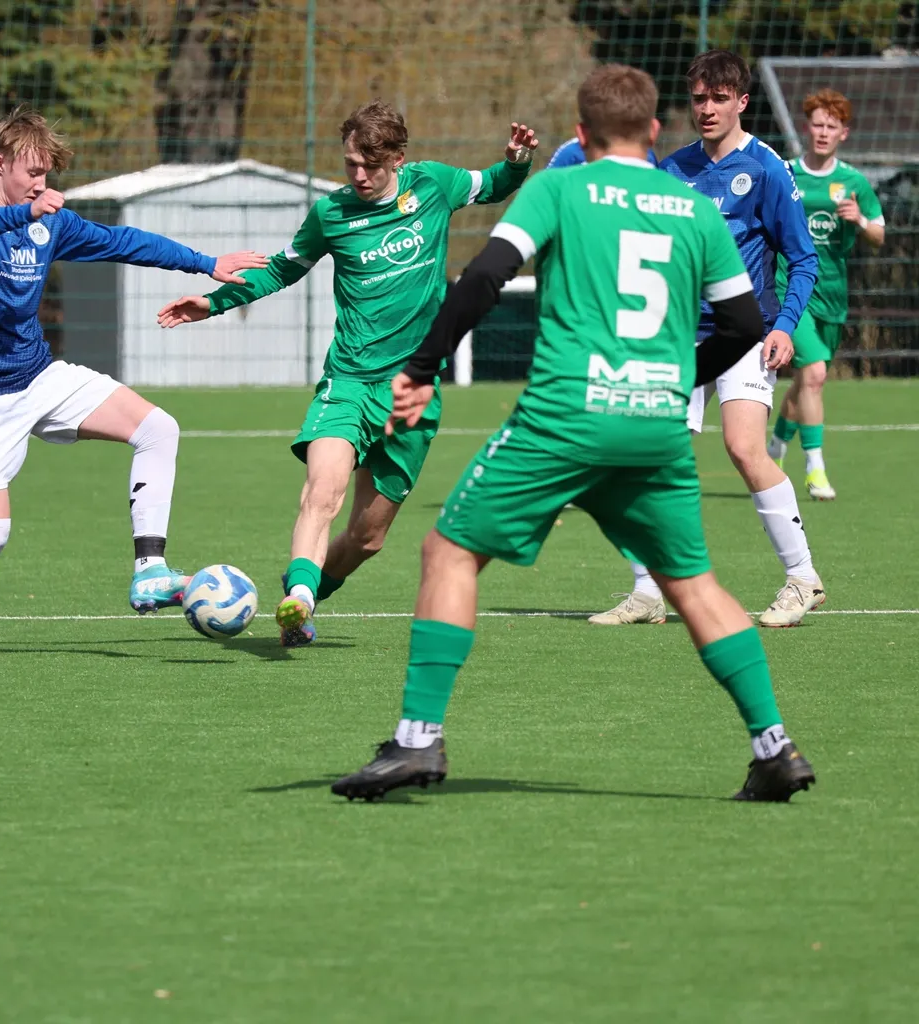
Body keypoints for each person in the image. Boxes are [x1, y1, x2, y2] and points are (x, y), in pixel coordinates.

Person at [331, 64, 816, 804]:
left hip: (564, 417)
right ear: (654, 131)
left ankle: (417, 740)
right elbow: (747, 322)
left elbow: (484, 278)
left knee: (449, 552)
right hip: (652, 426)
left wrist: (423, 367)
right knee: (695, 584)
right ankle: (773, 747)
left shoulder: (559, 188)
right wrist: (678, 379)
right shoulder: (694, 208)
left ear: (582, 134)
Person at [157, 102, 538, 647]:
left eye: (370, 165)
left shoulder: (434, 184)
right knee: (322, 492)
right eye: (350, 163)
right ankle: (300, 600)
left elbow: (495, 184)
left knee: (367, 538)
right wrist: (214, 302)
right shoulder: (331, 213)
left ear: (397, 159)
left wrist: (517, 161)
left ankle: (306, 587)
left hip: (412, 391)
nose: (358, 175)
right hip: (349, 382)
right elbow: (282, 269)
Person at [0, 107, 267, 658]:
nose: (40, 183)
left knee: (159, 428)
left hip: (38, 375)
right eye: (31, 172)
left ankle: (151, 570)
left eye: (46, 173)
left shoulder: (51, 222)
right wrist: (24, 213)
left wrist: (204, 262)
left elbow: (123, 241)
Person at [589, 49, 823, 630]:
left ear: (742, 101)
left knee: (744, 448)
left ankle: (802, 579)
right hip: (677, 337)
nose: (708, 108)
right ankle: (648, 591)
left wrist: (785, 326)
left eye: (719, 98)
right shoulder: (673, 169)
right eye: (699, 98)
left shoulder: (767, 169)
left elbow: (803, 258)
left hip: (745, 333)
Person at [768, 89, 886, 500]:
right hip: (790, 288)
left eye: (830, 127)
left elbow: (879, 234)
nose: (822, 132)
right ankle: (815, 469)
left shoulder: (853, 182)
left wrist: (860, 220)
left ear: (843, 133)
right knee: (816, 374)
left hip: (832, 293)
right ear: (807, 128)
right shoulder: (784, 173)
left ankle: (775, 446)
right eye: (817, 124)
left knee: (807, 381)